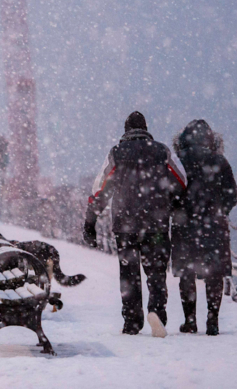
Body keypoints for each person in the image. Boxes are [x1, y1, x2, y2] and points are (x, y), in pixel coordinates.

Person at [84, 111, 186, 337]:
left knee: (129, 273)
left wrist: (90, 222)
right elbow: (181, 180)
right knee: (157, 270)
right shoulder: (162, 151)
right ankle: (157, 311)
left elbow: (100, 189)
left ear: (126, 130)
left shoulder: (117, 154)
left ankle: (132, 320)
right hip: (157, 225)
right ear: (146, 129)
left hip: (125, 226)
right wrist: (172, 202)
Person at [171, 120, 237, 336]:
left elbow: (170, 192)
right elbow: (232, 193)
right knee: (214, 273)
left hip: (185, 225)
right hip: (214, 226)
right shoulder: (220, 161)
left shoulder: (178, 161)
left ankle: (190, 321)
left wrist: (178, 211)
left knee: (187, 274)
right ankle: (213, 320)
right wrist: (220, 211)